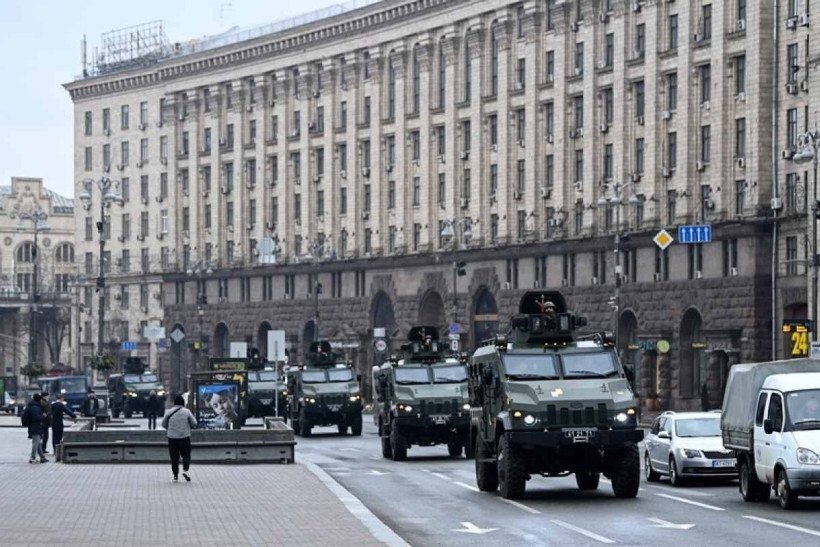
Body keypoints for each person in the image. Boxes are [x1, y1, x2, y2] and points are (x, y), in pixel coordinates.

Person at [161, 395, 197, 482]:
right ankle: (185, 470)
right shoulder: (187, 412)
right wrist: (188, 427)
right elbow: (194, 423)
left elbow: (163, 424)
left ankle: (175, 476)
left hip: (172, 438)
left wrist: (170, 429)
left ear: (175, 403)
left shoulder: (169, 412)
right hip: (184, 437)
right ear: (183, 403)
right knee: (186, 455)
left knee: (174, 457)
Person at [24, 394, 47, 463]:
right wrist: (43, 416)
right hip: (35, 427)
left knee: (38, 443)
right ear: (39, 400)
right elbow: (36, 418)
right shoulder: (35, 407)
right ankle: (32, 457)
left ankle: (42, 457)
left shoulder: (32, 405)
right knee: (35, 443)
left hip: (34, 427)